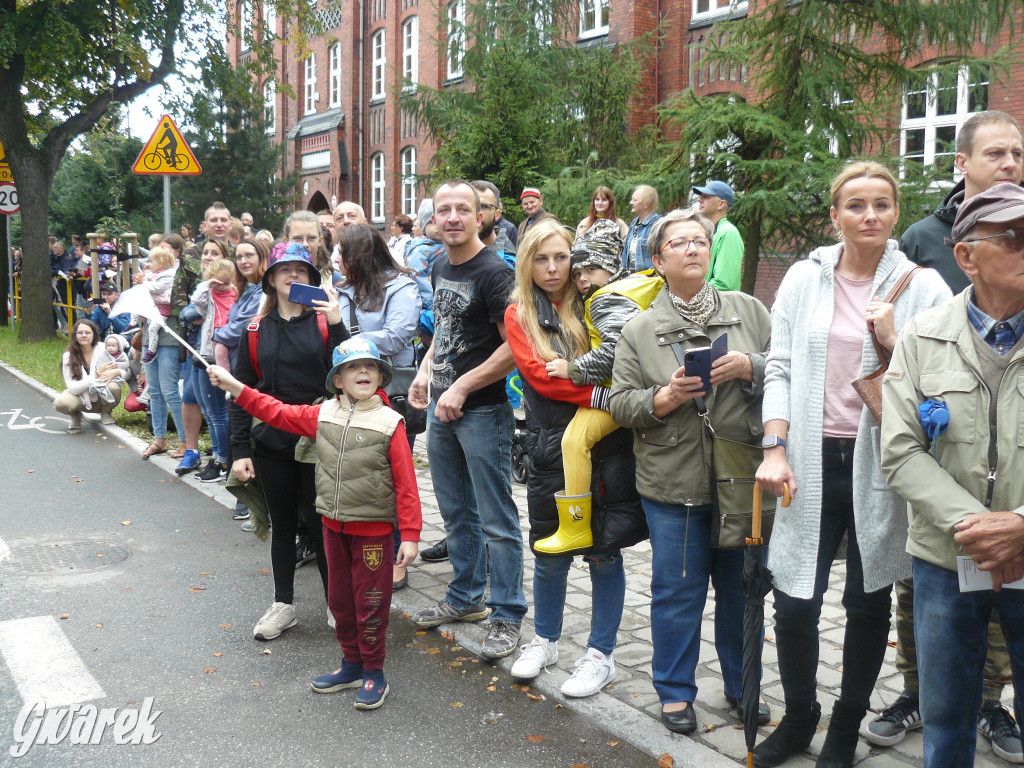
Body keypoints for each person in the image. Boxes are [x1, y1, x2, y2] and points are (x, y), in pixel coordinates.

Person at [752, 161, 951, 768]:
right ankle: (801, 714)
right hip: (807, 462)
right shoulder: (802, 280)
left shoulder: (925, 287)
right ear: (834, 215)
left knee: (868, 603)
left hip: (881, 466)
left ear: (896, 212)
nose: (870, 216)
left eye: (882, 205)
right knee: (793, 599)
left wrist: (894, 342)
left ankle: (845, 725)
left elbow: (943, 388)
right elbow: (779, 364)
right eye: (856, 205)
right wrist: (775, 447)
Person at [868, 109, 1024, 761]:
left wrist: (1020, 523)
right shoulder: (924, 337)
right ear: (967, 255)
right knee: (945, 726)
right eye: (1011, 236)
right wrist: (979, 525)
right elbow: (900, 452)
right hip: (943, 556)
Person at [609, 207, 773, 735]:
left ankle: (742, 683)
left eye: (700, 240)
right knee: (677, 592)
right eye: (678, 243)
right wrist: (665, 396)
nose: (692, 249)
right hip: (672, 484)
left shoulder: (749, 311)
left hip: (740, 478)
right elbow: (620, 405)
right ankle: (675, 692)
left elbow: (788, 372)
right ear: (658, 259)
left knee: (741, 588)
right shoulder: (639, 329)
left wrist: (752, 367)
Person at [207, 337, 420, 708]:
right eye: (353, 367)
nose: (363, 372)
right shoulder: (322, 414)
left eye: (370, 366)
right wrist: (235, 386)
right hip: (332, 529)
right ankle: (351, 664)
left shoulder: (390, 422)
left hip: (373, 534)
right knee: (339, 601)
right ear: (338, 379)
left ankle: (374, 672)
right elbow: (275, 412)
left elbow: (406, 483)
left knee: (370, 602)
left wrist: (412, 535)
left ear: (381, 376)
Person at [505, 219, 640, 698]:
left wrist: (616, 399)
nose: (554, 268)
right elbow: (544, 382)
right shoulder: (520, 313)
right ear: (527, 263)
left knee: (604, 551)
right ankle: (545, 641)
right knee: (550, 550)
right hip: (550, 446)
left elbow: (632, 360)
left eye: (561, 257)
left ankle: (600, 654)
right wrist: (609, 398)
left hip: (608, 446)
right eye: (541, 259)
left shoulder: (599, 298)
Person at [407, 179, 527, 660]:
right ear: (433, 219)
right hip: (440, 408)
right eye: (444, 209)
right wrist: (424, 372)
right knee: (455, 511)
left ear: (481, 217)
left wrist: (461, 386)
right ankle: (465, 598)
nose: (452, 217)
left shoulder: (495, 273)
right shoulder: (438, 264)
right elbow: (447, 329)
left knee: (496, 517)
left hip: (481, 412)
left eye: (463, 209)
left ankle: (508, 613)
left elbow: (515, 348)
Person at [229, 242, 349, 640]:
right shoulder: (254, 330)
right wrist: (239, 451)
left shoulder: (322, 322)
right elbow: (243, 392)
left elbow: (349, 371)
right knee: (283, 526)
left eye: (300, 269)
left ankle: (337, 605)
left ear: (312, 278)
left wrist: (334, 322)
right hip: (272, 443)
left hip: (318, 438)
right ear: (270, 279)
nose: (292, 276)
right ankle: (283, 605)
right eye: (284, 270)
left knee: (321, 527)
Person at [544, 220, 662, 551]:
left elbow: (615, 351)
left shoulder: (606, 299)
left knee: (573, 441)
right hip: (642, 386)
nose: (583, 279)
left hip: (620, 392)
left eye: (592, 269)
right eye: (578, 272)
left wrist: (573, 370)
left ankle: (575, 527)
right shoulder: (634, 287)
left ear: (611, 267)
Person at [335, 223, 421, 588]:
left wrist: (346, 337)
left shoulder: (401, 286)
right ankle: (365, 547)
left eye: (342, 252)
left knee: (393, 476)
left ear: (359, 255)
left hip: (389, 390)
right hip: (346, 393)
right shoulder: (341, 288)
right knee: (358, 474)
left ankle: (400, 552)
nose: (336, 258)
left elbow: (399, 335)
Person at [212, 237, 269, 523]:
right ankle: (245, 496)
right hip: (237, 368)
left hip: (253, 372)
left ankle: (253, 502)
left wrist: (218, 334)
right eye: (239, 256)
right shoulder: (244, 289)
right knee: (238, 425)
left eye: (250, 255)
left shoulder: (263, 291)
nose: (244, 261)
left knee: (249, 430)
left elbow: (243, 329)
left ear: (262, 258)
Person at [184, 255, 238, 483]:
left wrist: (221, 285)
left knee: (217, 413)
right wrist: (208, 285)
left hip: (219, 353)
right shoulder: (210, 294)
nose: (221, 286)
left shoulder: (235, 294)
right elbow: (196, 304)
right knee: (209, 411)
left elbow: (192, 310)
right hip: (205, 350)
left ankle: (224, 461)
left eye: (224, 282)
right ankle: (216, 458)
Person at [134, 235, 187, 461]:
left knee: (170, 390)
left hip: (169, 336)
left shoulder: (179, 275)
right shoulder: (152, 274)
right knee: (153, 390)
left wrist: (146, 285)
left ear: (175, 252)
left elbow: (171, 300)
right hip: (149, 335)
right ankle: (160, 439)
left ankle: (186, 441)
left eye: (165, 249)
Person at [54, 319, 123, 430]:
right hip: (81, 397)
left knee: (113, 387)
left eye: (88, 332)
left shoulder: (102, 349)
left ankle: (106, 412)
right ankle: (76, 415)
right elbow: (73, 388)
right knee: (61, 403)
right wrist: (96, 374)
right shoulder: (68, 356)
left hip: (101, 395)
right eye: (80, 333)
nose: (84, 335)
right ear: (75, 335)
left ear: (94, 334)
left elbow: (121, 367)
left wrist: (116, 372)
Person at [694, 180, 744, 291]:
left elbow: (724, 283)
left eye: (706, 197)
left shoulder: (728, 233)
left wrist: (693, 295)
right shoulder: (710, 232)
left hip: (719, 305)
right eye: (700, 196)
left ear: (721, 204)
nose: (699, 200)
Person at [139, 247, 178, 364]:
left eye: (152, 261)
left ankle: (152, 350)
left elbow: (156, 288)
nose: (149, 264)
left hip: (163, 308)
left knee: (153, 328)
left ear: (161, 263)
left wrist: (143, 282)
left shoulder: (169, 276)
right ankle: (133, 324)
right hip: (154, 306)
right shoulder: (153, 274)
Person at [283, 209, 338, 288]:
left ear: (320, 240)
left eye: (311, 238)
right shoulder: (278, 277)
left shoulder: (334, 279)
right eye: (298, 238)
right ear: (286, 241)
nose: (305, 244)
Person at [622, 185, 662, 272]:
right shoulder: (633, 224)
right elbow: (625, 254)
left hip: (650, 280)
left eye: (635, 200)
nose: (631, 202)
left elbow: (662, 255)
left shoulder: (658, 224)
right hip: (631, 279)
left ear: (646, 204)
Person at [89, 334, 130, 405]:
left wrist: (117, 365)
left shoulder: (122, 355)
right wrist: (101, 370)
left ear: (119, 346)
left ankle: (108, 403)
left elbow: (126, 364)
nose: (110, 348)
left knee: (111, 387)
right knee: (95, 383)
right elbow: (99, 364)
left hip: (115, 377)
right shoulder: (104, 354)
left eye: (113, 346)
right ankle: (93, 393)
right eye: (108, 346)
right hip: (103, 374)